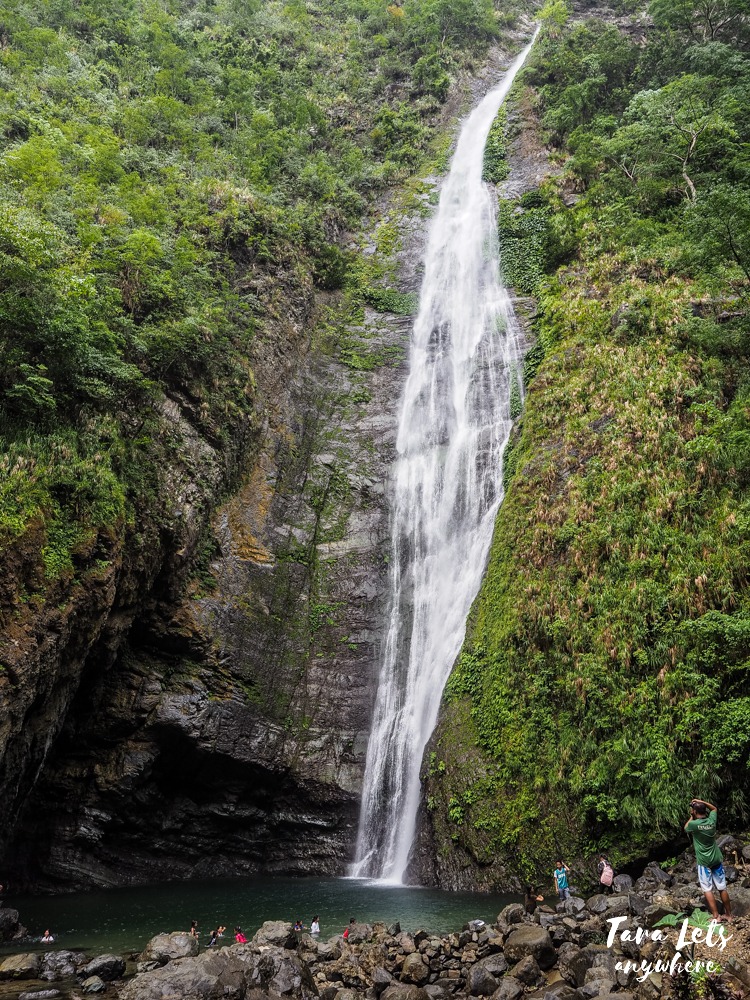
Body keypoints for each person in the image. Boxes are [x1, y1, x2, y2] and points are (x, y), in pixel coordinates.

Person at [685, 798, 732, 921]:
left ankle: (716, 916)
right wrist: (701, 802)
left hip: (704, 861)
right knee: (722, 887)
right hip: (716, 858)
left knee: (707, 889)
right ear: (704, 811)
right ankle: (729, 915)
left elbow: (686, 828)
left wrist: (691, 816)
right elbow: (714, 808)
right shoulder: (711, 821)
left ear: (694, 811)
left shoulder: (694, 825)